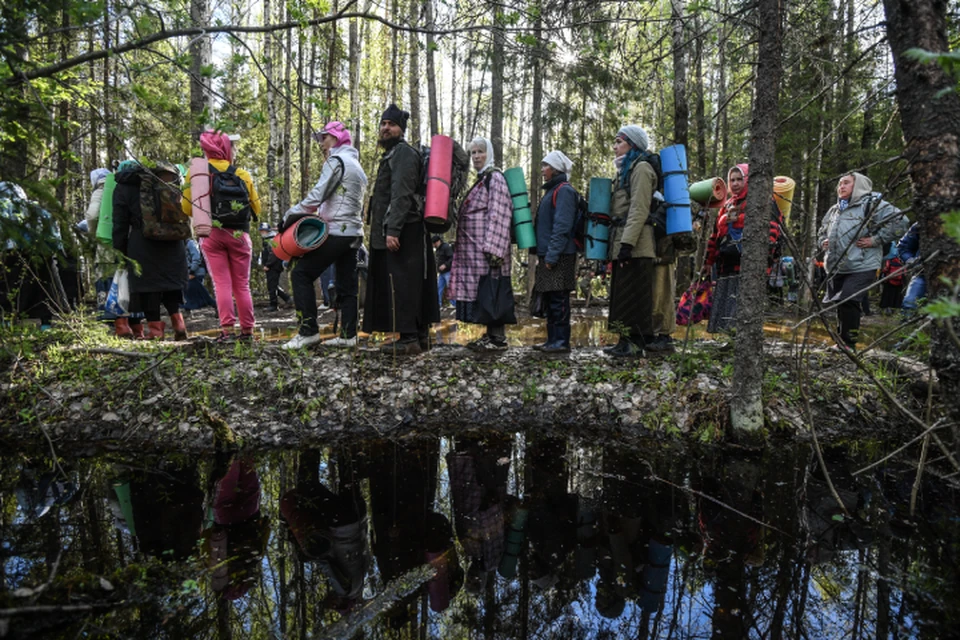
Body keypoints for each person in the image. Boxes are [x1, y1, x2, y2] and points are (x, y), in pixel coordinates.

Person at [282, 121, 368, 349]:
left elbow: (317, 196)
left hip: (337, 231)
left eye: (325, 138)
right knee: (347, 284)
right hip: (354, 233)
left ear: (337, 138)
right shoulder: (356, 165)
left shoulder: (336, 161)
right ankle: (349, 335)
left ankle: (308, 331)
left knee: (300, 274)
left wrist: (290, 214)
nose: (321, 143)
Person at [362, 104, 440, 355]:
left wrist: (392, 230)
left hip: (405, 230)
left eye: (391, 124)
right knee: (408, 282)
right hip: (404, 229)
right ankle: (417, 336)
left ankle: (409, 339)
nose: (385, 128)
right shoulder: (395, 153)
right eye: (383, 124)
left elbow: (402, 195)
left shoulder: (404, 153)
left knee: (404, 283)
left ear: (401, 129)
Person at [182, 131, 262, 343]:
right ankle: (248, 331)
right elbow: (257, 207)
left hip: (212, 235)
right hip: (239, 233)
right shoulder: (242, 174)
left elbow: (186, 207)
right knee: (242, 284)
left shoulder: (197, 174)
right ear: (226, 149)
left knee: (222, 283)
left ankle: (227, 330)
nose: (234, 152)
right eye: (232, 148)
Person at [818, 172, 907, 351]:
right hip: (837, 266)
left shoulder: (872, 204)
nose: (841, 187)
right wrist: (823, 242)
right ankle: (841, 343)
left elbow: (901, 221)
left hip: (863, 264)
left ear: (858, 185)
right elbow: (822, 230)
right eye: (839, 183)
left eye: (846, 183)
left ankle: (849, 344)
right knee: (840, 302)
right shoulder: (835, 209)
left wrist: (875, 240)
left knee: (849, 298)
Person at [702, 164, 784, 335]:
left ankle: (738, 342)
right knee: (724, 306)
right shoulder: (727, 205)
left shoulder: (762, 201)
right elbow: (714, 237)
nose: (735, 183)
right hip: (725, 267)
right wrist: (708, 262)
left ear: (748, 180)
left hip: (748, 268)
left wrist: (763, 258)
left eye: (740, 179)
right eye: (732, 180)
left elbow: (773, 229)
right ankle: (724, 340)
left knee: (742, 307)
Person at [448, 137, 513, 351]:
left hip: (488, 250)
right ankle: (490, 336)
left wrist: (494, 248)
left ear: (489, 154)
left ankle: (497, 339)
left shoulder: (495, 178)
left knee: (493, 290)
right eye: (473, 152)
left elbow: (500, 212)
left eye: (480, 152)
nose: (476, 156)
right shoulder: (481, 180)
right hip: (475, 251)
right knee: (484, 292)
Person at [112, 161, 189, 340]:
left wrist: (120, 249)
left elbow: (120, 223)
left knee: (149, 287)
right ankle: (178, 324)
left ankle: (155, 330)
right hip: (173, 238)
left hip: (143, 241)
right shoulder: (166, 179)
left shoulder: (124, 186)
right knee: (171, 283)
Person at [605, 127, 659, 357]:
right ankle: (624, 340)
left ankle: (634, 343)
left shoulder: (641, 169)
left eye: (619, 142)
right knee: (623, 293)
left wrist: (627, 245)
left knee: (634, 294)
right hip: (624, 243)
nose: (615, 147)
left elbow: (639, 209)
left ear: (632, 144)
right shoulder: (624, 171)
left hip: (638, 245)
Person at [532, 150, 578, 353]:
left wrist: (552, 255)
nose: (542, 170)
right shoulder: (553, 190)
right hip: (550, 253)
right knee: (550, 298)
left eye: (545, 166)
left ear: (556, 169)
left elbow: (562, 226)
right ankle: (552, 340)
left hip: (560, 255)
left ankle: (560, 341)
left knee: (558, 298)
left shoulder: (564, 191)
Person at [0, 182, 62, 329]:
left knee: (10, 287)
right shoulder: (38, 209)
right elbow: (54, 234)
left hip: (12, 253)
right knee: (44, 288)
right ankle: (45, 324)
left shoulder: (3, 208)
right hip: (42, 253)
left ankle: (7, 324)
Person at [257, 222, 291, 311]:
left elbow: (273, 254)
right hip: (272, 266)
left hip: (274, 266)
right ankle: (287, 298)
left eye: (264, 230)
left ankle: (273, 304)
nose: (262, 232)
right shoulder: (267, 239)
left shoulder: (272, 240)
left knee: (272, 286)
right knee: (273, 285)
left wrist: (268, 265)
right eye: (261, 230)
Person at [897, 222, 925, 317]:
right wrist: (910, 260)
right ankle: (906, 328)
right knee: (909, 304)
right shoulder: (923, 223)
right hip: (923, 273)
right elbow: (903, 247)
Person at [182, 237, 217, 312]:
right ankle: (188, 309)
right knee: (194, 292)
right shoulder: (180, 244)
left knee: (200, 293)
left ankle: (215, 305)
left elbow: (196, 258)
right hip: (188, 272)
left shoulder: (190, 243)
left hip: (196, 272)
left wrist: (192, 271)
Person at [879, 242, 905, 315]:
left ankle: (887, 309)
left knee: (887, 295)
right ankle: (895, 310)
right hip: (899, 281)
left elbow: (886, 269)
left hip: (889, 280)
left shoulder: (889, 259)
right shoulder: (902, 260)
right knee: (897, 296)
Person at [433, 234, 454, 306]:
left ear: (438, 241)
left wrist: (445, 265)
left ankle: (454, 305)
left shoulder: (446, 247)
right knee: (439, 288)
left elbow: (452, 258)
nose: (434, 245)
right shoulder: (438, 250)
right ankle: (438, 304)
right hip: (441, 273)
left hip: (448, 272)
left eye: (434, 243)